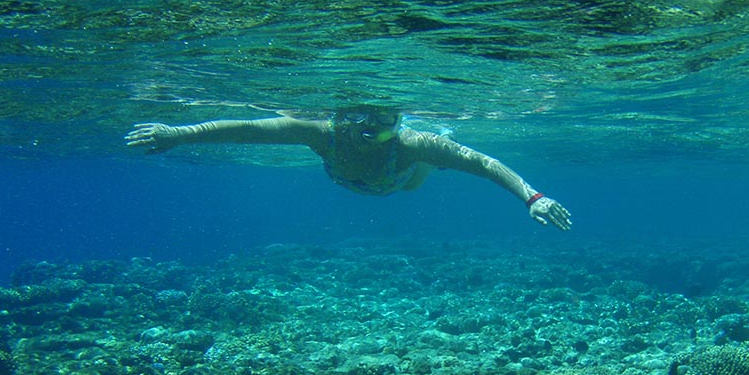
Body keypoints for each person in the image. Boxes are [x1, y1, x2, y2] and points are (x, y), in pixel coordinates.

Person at [125, 108, 572, 230]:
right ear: (341, 113)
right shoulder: (321, 133)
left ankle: (435, 166)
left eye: (383, 119)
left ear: (397, 121)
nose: (368, 126)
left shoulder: (412, 143)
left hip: (400, 181)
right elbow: (245, 129)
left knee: (426, 172)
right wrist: (178, 133)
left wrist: (533, 197)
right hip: (349, 177)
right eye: (358, 114)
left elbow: (485, 164)